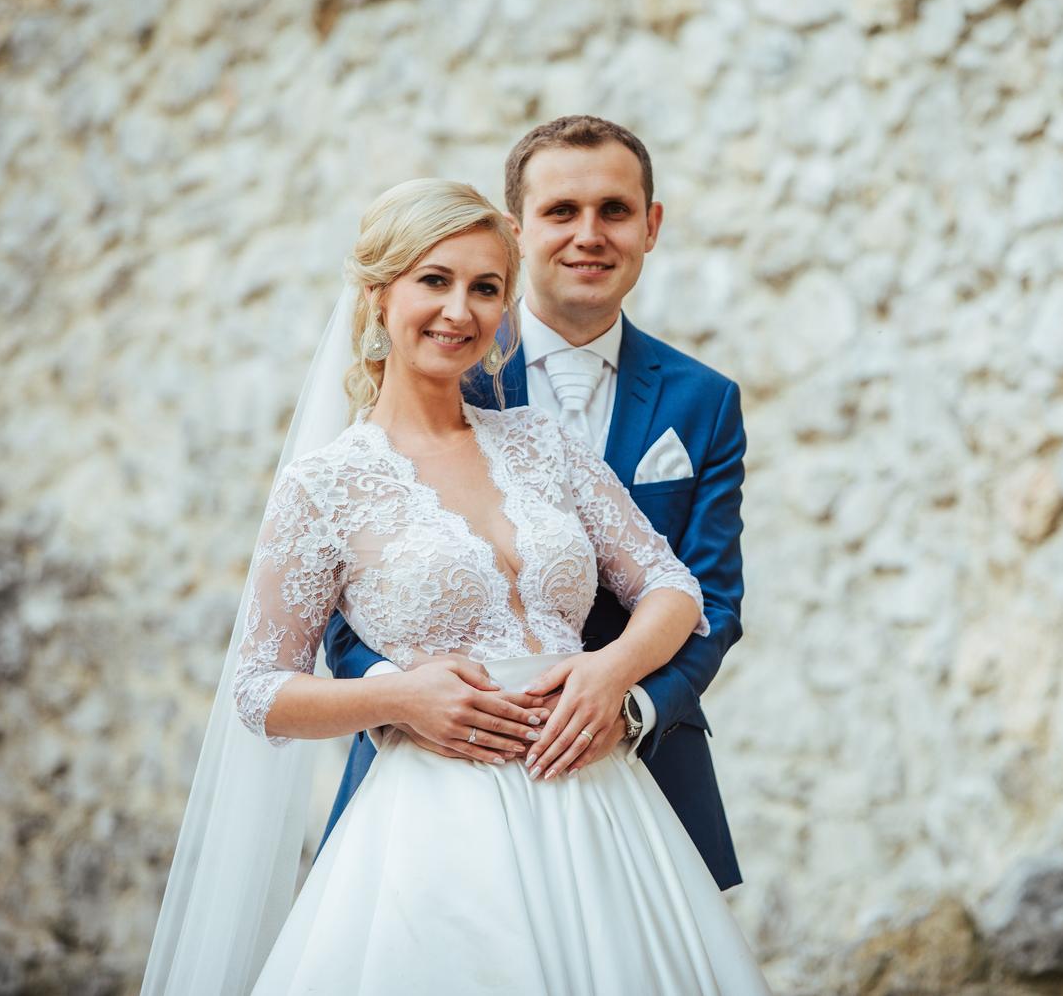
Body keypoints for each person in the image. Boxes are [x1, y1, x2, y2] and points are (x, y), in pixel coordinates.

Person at [142, 178, 770, 994]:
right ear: (379, 295)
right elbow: (259, 687)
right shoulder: (324, 485)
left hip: (597, 796)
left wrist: (608, 672)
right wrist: (399, 697)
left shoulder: (540, 442)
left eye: (485, 287)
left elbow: (674, 587)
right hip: (435, 825)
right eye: (434, 280)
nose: (459, 310)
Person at [318, 116, 747, 891]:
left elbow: (711, 596)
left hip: (643, 776)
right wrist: (410, 698)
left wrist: (626, 698)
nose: (590, 235)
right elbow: (347, 602)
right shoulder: (440, 359)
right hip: (438, 778)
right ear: (516, 233)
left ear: (650, 226)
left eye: (614, 210)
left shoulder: (705, 400)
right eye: (561, 211)